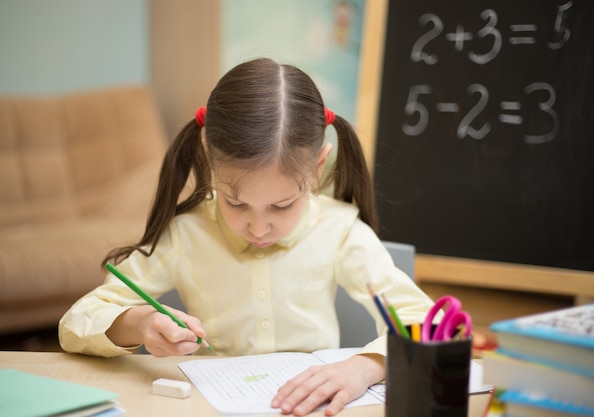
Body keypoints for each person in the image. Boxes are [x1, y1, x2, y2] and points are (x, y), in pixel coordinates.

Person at [59, 57, 437, 416]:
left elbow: (430, 322)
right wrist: (138, 322)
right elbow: (76, 322)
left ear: (319, 165)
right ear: (208, 157)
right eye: (235, 203)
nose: (258, 229)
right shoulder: (186, 235)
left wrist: (365, 367)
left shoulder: (338, 231)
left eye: (282, 205)